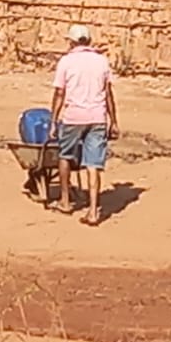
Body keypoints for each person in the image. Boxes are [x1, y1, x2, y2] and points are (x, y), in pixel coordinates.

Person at [50, 23, 118, 226]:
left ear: (71, 42)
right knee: (93, 164)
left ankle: (64, 201)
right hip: (98, 117)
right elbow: (108, 93)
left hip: (74, 117)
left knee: (64, 155)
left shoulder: (66, 62)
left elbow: (60, 93)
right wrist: (113, 122)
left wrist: (54, 121)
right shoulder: (101, 61)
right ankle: (93, 211)